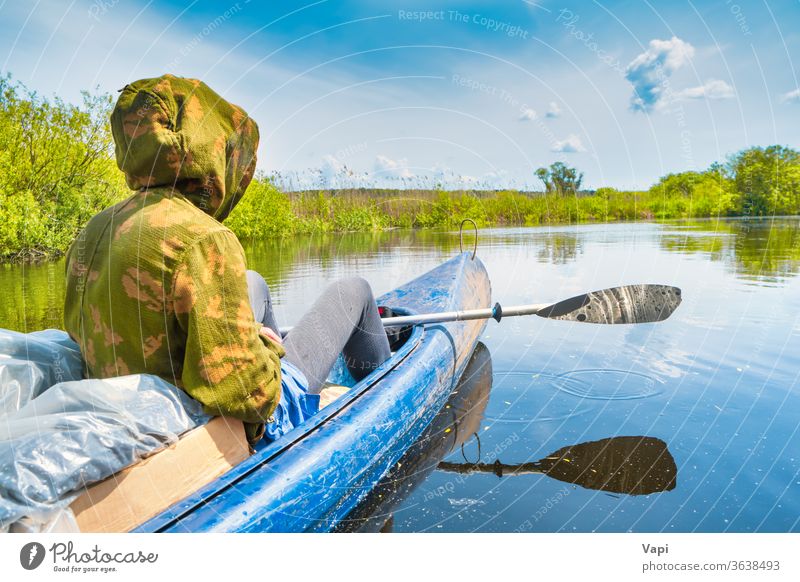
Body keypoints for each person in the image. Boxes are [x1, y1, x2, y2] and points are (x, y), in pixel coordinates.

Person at [63, 74, 390, 445]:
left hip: (133, 407)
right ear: (207, 150)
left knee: (254, 281)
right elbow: (250, 399)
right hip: (228, 421)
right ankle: (388, 401)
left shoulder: (94, 229)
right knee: (355, 290)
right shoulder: (204, 239)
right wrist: (268, 348)